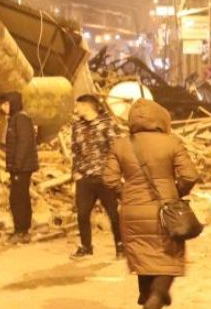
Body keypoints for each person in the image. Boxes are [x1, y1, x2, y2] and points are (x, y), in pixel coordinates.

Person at [104, 99, 199, 309]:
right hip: (166, 209)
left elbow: (109, 180)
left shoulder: (120, 145)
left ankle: (147, 298)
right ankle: (156, 297)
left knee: (143, 255)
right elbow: (190, 176)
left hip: (131, 210)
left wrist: (125, 194)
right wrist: (176, 192)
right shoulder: (172, 143)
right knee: (168, 257)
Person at [70, 94, 123, 259]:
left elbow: (117, 151)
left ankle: (121, 247)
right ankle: (86, 247)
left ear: (87, 106)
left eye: (78, 105)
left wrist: (115, 173)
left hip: (104, 177)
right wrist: (76, 173)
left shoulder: (107, 125)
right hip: (85, 178)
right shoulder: (77, 127)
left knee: (113, 214)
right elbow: (75, 151)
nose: (75, 109)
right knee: (82, 214)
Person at [0, 91, 38, 245]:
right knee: (19, 198)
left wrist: (17, 167)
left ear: (13, 103)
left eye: (6, 104)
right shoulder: (16, 119)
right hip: (20, 167)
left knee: (18, 199)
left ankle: (21, 231)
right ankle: (22, 230)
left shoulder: (20, 119)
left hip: (21, 168)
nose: (3, 107)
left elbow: (23, 144)